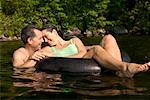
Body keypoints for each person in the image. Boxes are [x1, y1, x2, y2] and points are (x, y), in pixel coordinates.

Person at [41, 24, 150, 78]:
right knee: (96, 49)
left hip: (84, 56)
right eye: (42, 38)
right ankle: (124, 67)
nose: (45, 40)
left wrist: (90, 48)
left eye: (46, 36)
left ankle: (119, 71)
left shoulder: (74, 40)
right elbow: (36, 60)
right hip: (76, 62)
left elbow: (83, 50)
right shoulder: (48, 49)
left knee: (109, 38)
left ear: (54, 32)